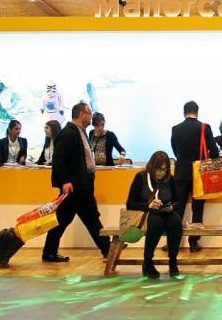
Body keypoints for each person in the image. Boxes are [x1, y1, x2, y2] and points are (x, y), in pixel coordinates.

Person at [41, 102, 111, 263]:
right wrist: (65, 181)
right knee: (63, 219)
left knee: (91, 218)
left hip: (83, 185)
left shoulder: (81, 132)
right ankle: (49, 252)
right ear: (81, 114)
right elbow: (59, 159)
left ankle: (107, 249)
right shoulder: (68, 133)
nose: (91, 117)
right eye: (89, 113)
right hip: (74, 186)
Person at [170, 100, 219, 252]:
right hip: (199, 174)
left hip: (181, 172)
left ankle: (174, 243)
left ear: (184, 112)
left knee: (177, 207)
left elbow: (175, 150)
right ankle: (193, 243)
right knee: (197, 208)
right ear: (197, 112)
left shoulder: (175, 129)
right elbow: (214, 151)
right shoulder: (204, 127)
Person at [126, 151, 182, 279]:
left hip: (166, 211)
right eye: (158, 169)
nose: (161, 173)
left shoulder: (169, 178)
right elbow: (130, 203)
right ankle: (148, 261)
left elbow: (178, 201)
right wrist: (148, 205)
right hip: (148, 213)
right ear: (152, 166)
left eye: (164, 169)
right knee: (156, 223)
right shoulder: (140, 177)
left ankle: (173, 260)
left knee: (176, 221)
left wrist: (172, 207)